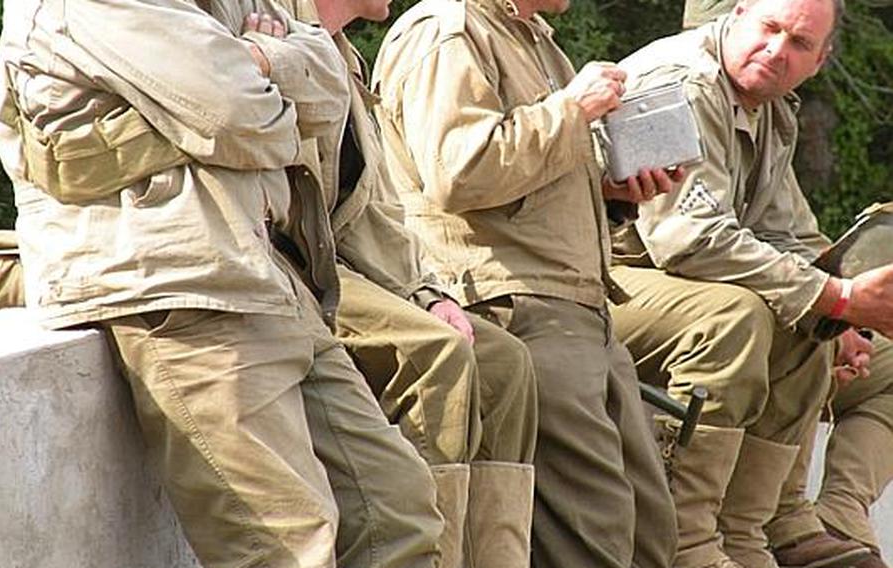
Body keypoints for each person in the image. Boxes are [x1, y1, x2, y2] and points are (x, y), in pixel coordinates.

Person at [0, 2, 443, 567]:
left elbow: (326, 94)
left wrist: (253, 68)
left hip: (268, 274)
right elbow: (235, 114)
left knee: (396, 506)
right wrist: (266, 76)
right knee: (284, 546)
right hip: (176, 284)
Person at [371, 1, 683, 567]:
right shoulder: (448, 32)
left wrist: (613, 196)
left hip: (579, 306)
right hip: (510, 304)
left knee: (647, 529)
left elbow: (528, 181)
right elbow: (458, 170)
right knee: (593, 533)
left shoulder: (532, 37)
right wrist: (572, 109)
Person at [608, 1, 893, 567]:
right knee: (744, 315)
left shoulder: (766, 106)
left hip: (673, 285)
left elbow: (786, 233)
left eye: (798, 43)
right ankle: (684, 541)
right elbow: (687, 239)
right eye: (769, 28)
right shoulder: (679, 83)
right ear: (737, 15)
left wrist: (841, 312)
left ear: (820, 59)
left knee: (814, 322)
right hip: (605, 281)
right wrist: (830, 298)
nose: (776, 51)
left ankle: (760, 530)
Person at [279, 1, 539, 567]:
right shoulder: (284, 34)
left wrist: (428, 292)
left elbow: (376, 210)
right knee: (434, 353)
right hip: (288, 269)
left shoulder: (343, 53)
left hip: (345, 267)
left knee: (505, 364)